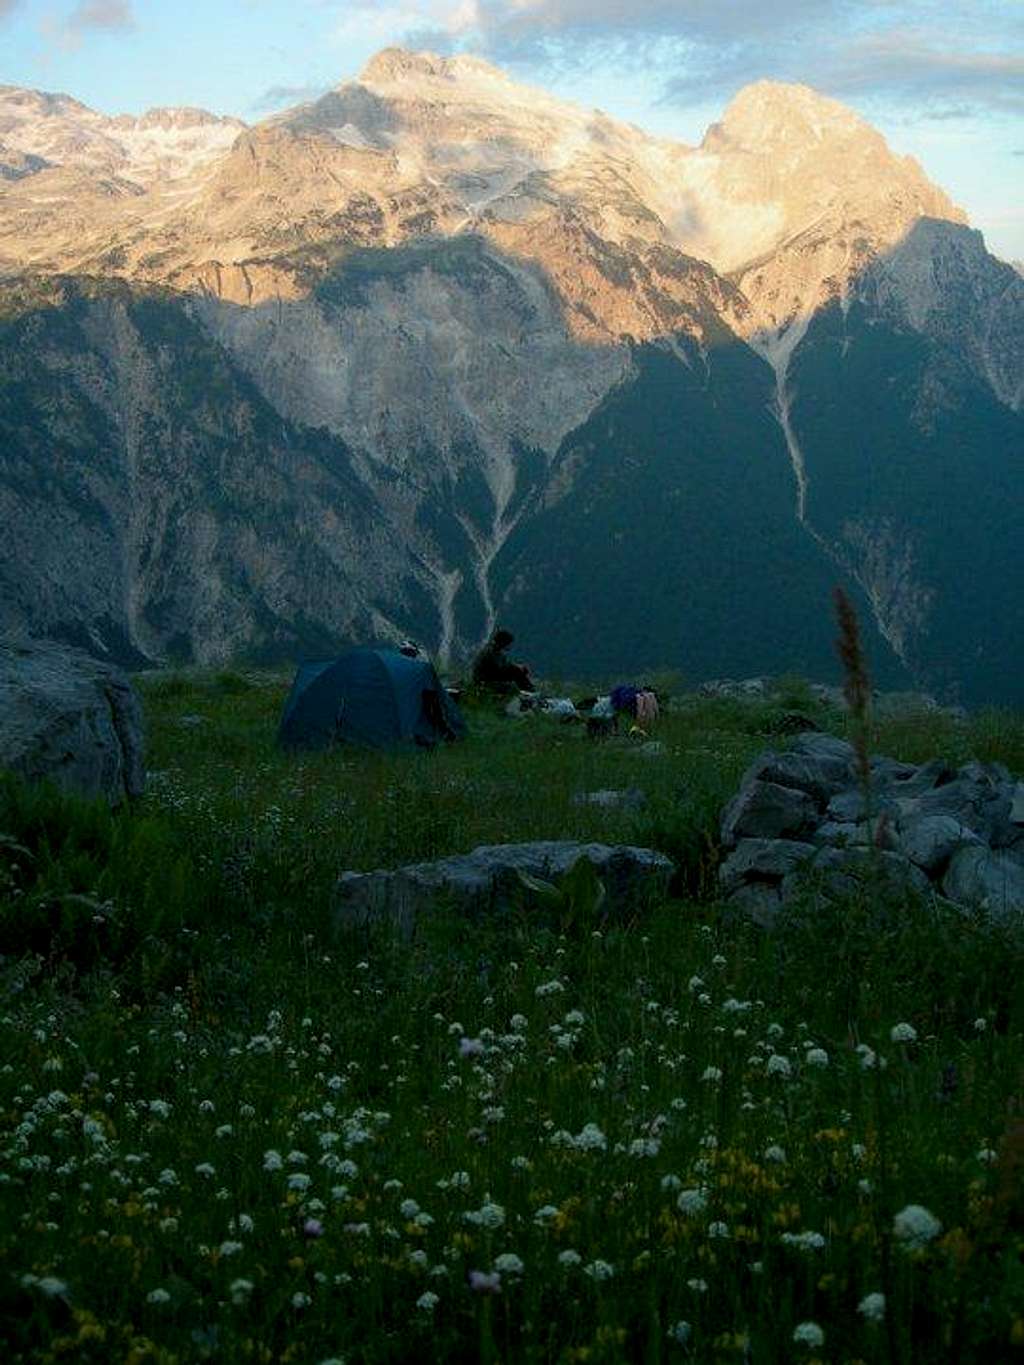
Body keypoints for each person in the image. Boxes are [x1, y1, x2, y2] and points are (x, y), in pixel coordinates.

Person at [471, 627, 534, 692]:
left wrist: (517, 667)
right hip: (484, 681)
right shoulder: (491, 652)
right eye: (508, 644)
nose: (509, 646)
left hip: (487, 677)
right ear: (503, 643)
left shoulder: (493, 649)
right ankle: (529, 691)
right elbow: (500, 667)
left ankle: (528, 690)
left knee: (517, 671)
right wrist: (517, 668)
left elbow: (504, 665)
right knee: (516, 672)